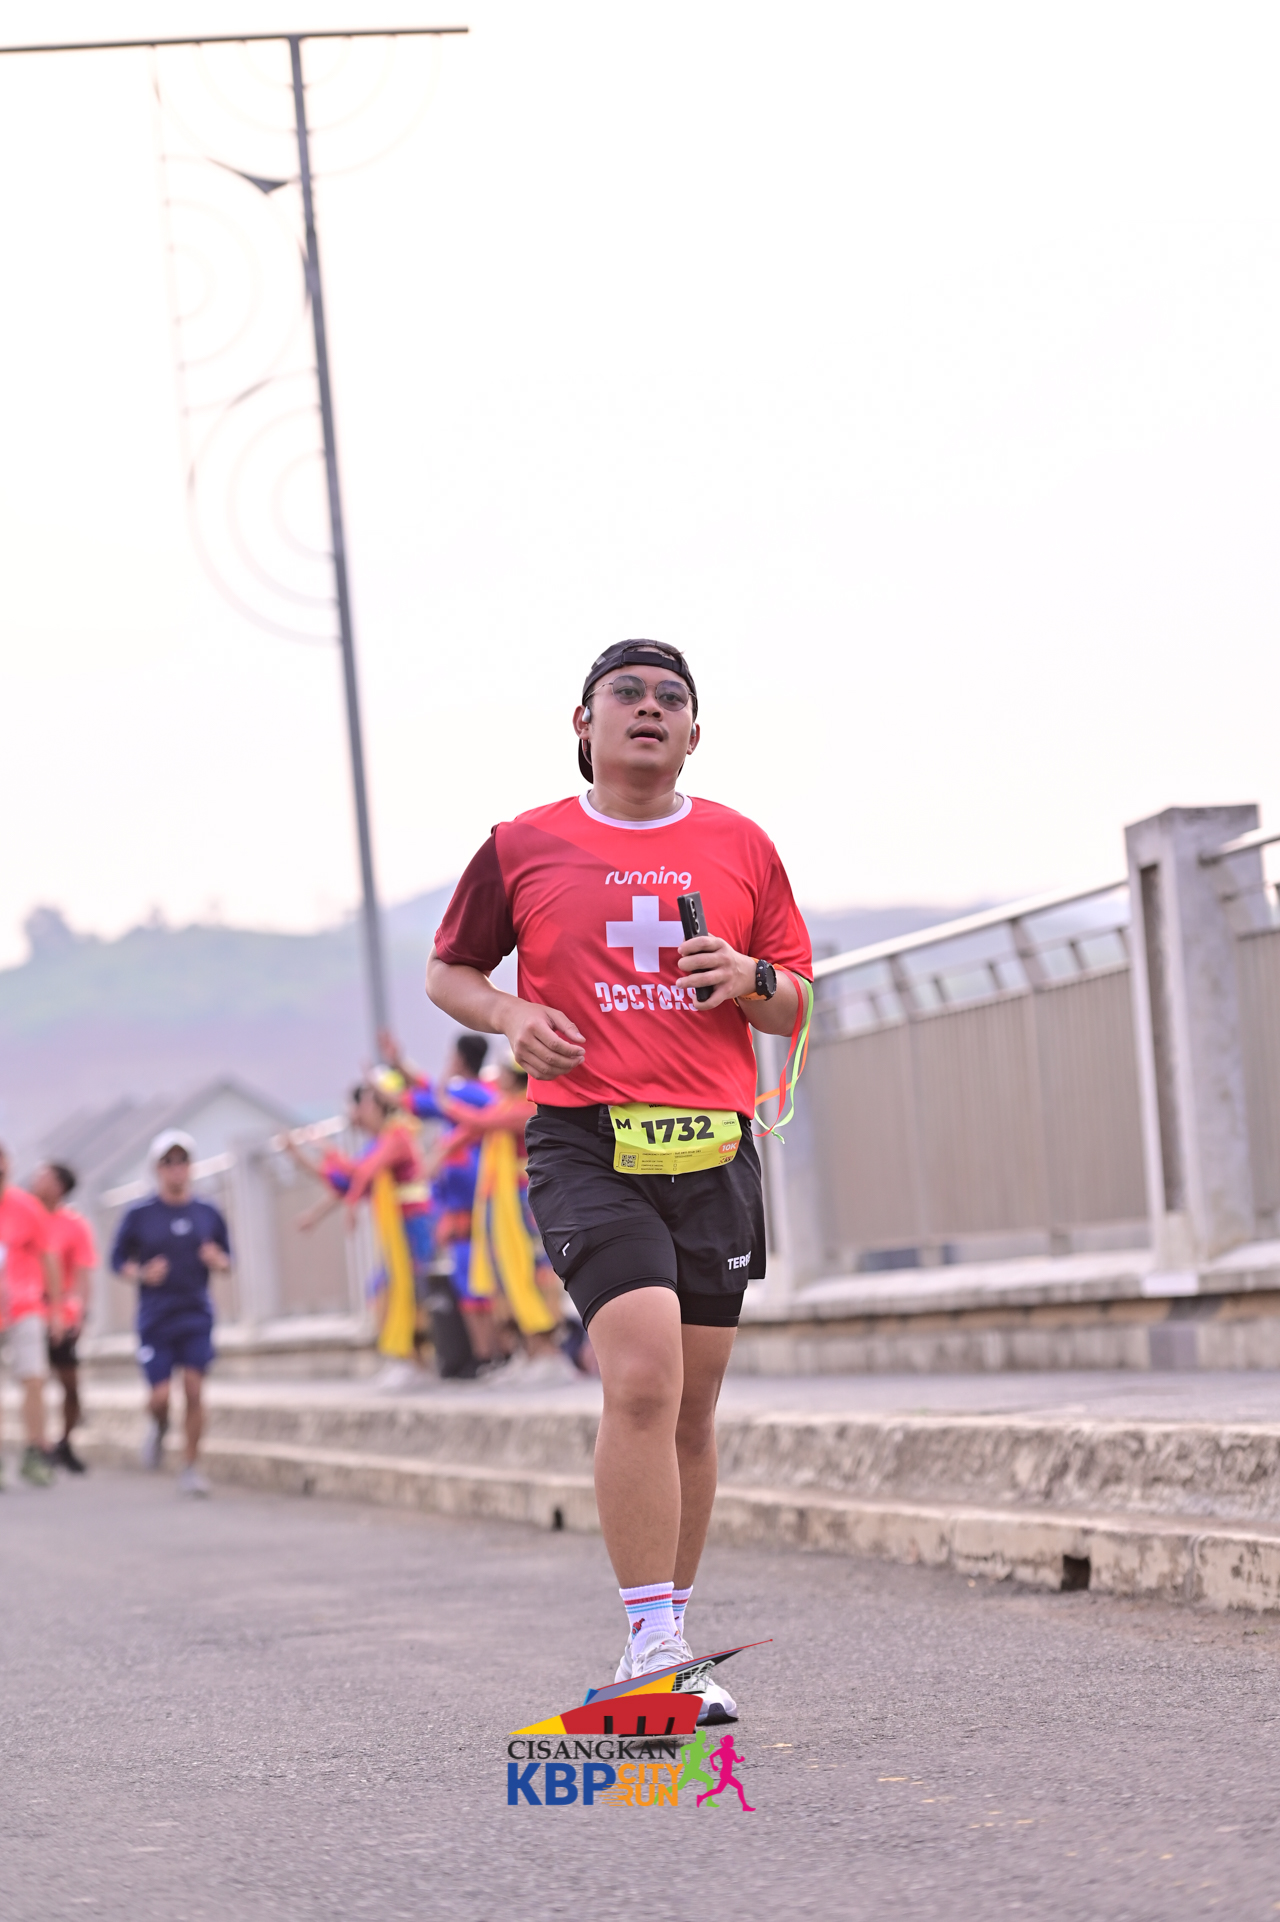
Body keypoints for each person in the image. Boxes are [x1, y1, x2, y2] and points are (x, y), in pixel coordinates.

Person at [426, 639, 812, 1724]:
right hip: (585, 1142)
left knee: (690, 1406)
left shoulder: (740, 843)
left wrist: (748, 977)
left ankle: (666, 1630)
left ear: (694, 732)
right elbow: (450, 969)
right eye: (625, 695)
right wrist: (511, 1014)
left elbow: (796, 997)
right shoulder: (523, 843)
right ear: (583, 724)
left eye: (670, 698)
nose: (649, 709)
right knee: (640, 1378)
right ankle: (654, 1646)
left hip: (712, 1148)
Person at [110, 1131, 231, 1498]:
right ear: (157, 1169)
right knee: (160, 1396)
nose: (176, 1168)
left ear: (190, 1167)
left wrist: (217, 1260)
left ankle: (190, 1466)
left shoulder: (207, 1212)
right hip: (156, 1317)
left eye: (182, 1161)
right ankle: (158, 1425)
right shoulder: (140, 1214)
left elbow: (228, 1259)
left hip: (195, 1313)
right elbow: (117, 1260)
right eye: (169, 1162)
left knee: (194, 1389)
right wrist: (141, 1273)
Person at [0, 1141, 62, 1488]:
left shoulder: (26, 1207)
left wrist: (56, 1310)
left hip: (25, 1307)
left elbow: (48, 1257)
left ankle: (34, 1452)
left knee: (34, 1379)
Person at [29, 1161, 96, 1473]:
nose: (35, 1179)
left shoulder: (74, 1224)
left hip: (60, 1313)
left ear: (59, 1186)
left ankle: (65, 1442)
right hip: (27, 1309)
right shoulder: (25, 1215)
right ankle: (37, 1445)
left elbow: (83, 1273)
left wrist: (78, 1313)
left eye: (43, 1176)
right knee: (33, 1381)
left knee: (70, 1382)